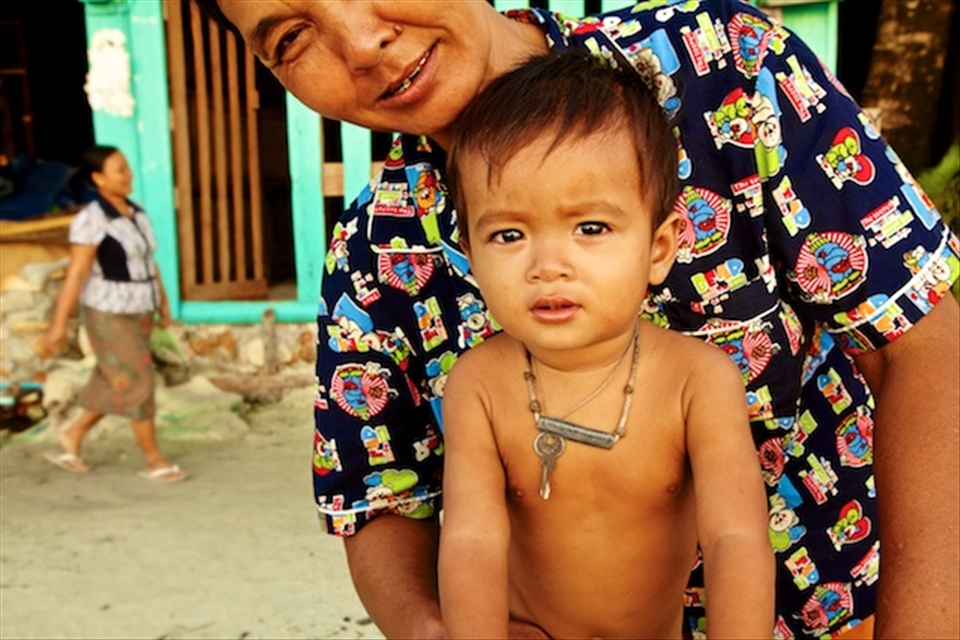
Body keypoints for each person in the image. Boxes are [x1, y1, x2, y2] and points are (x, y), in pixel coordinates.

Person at [200, 1, 960, 637]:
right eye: (291, 38)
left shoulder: (726, 69)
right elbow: (382, 496)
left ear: (666, 239)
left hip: (853, 613)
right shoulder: (376, 258)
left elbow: (921, 342)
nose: (361, 41)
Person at [437, 51, 774, 639]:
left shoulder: (698, 380)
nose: (548, 266)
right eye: (508, 234)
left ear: (660, 247)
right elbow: (472, 540)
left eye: (590, 228)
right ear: (470, 250)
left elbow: (735, 538)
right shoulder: (479, 384)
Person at [41, 145, 189, 484]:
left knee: (113, 379)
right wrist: (58, 325)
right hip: (107, 312)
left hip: (140, 308)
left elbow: (147, 263)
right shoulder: (91, 220)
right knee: (137, 380)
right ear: (98, 178)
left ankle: (72, 435)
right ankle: (154, 459)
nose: (128, 175)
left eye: (126, 168)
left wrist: (162, 302)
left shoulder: (135, 213)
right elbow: (77, 273)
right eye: (119, 169)